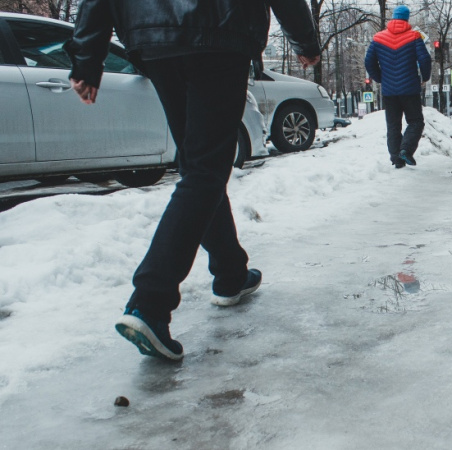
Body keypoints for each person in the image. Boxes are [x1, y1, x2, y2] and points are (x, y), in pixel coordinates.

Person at [64, 0, 321, 361]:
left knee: (198, 166)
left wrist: (87, 59)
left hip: (153, 37)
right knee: (206, 169)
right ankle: (150, 302)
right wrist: (305, 42)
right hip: (222, 30)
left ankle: (230, 273)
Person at [365, 5, 432, 168]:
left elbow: (368, 61)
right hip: (410, 89)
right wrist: (425, 77)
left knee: (393, 125)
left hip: (389, 91)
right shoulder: (414, 36)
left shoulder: (378, 38)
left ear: (393, 18)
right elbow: (425, 59)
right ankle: (406, 150)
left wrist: (380, 78)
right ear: (406, 19)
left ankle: (397, 159)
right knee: (416, 121)